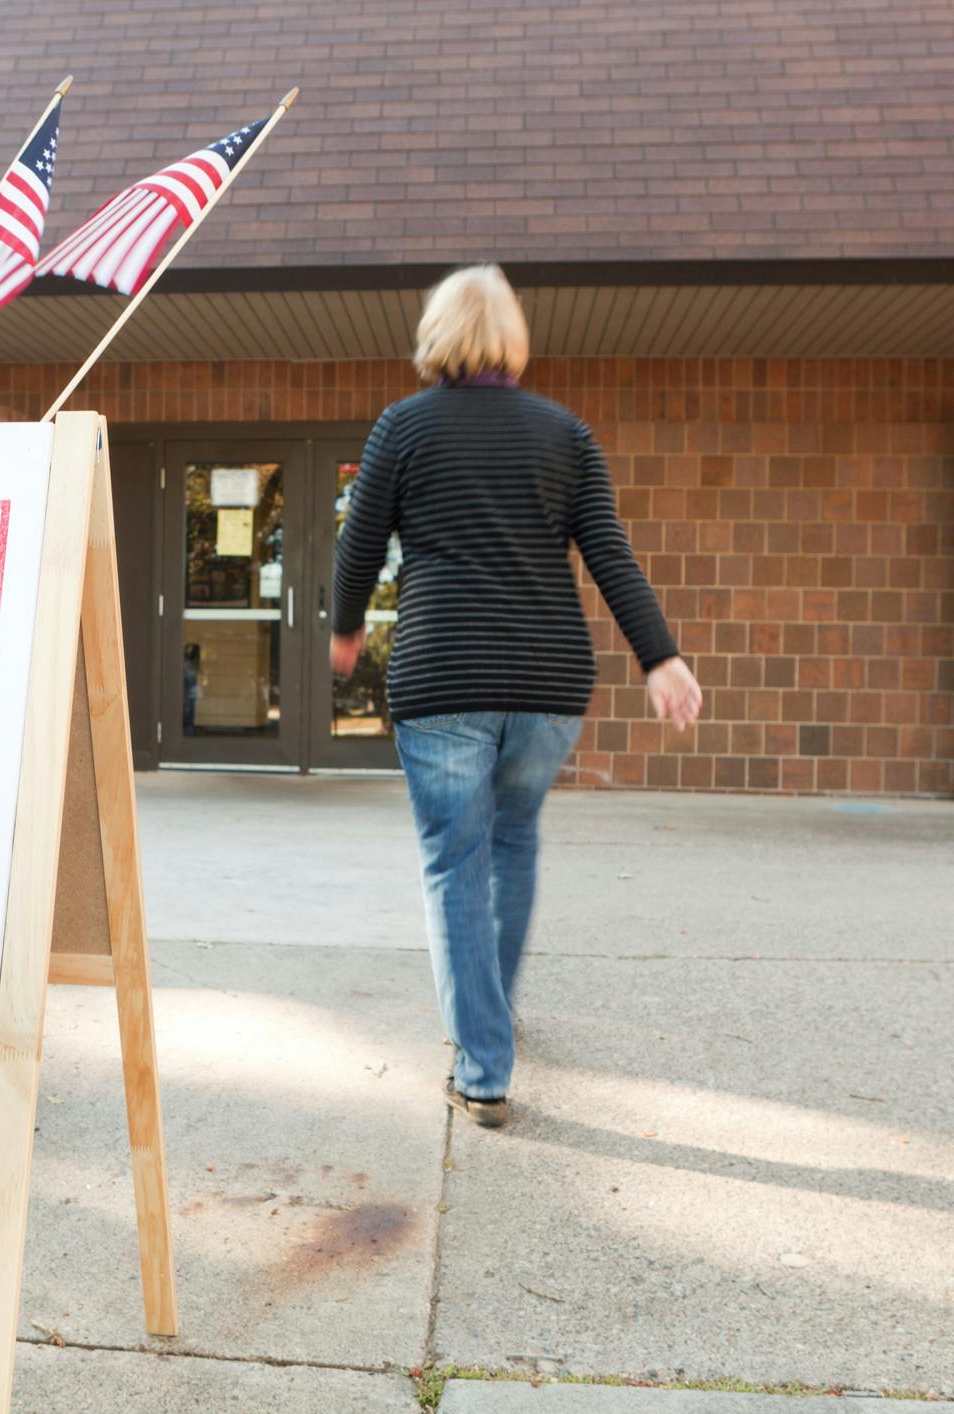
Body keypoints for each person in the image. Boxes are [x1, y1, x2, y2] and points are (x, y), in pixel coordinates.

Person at [330, 264, 701, 1129]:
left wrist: (345, 631)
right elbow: (609, 552)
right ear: (512, 336)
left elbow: (358, 548)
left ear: (436, 334)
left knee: (454, 863)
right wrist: (661, 658)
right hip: (547, 682)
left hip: (444, 673)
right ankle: (488, 1025)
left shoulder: (403, 428)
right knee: (512, 843)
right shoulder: (563, 433)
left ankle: (484, 1063)